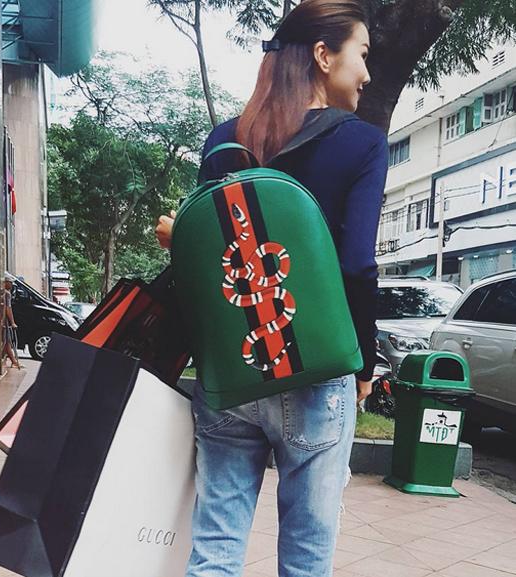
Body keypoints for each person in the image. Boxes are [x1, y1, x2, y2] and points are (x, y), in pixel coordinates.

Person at [156, 1, 388, 575]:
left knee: (215, 548)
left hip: (232, 374)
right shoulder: (362, 144)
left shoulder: (225, 139)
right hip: (315, 375)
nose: (366, 73)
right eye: (361, 55)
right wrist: (363, 364)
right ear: (323, 55)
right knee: (306, 558)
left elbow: (211, 262)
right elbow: (357, 267)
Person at [2, 275, 21, 369]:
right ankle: (13, 361)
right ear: (6, 283)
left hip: (2, 320)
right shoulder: (7, 294)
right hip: (4, 321)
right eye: (10, 283)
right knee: (7, 341)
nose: (12, 285)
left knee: (6, 342)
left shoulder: (2, 293)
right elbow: (8, 309)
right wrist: (12, 322)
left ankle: (11, 361)